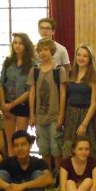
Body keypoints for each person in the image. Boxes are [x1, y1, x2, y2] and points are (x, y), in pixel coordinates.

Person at [29, 38, 67, 181]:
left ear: (52, 51)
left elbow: (63, 93)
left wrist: (61, 115)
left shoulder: (59, 70)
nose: (43, 53)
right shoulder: (35, 71)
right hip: (39, 117)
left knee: (56, 148)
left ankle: (59, 175)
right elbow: (32, 93)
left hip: (54, 116)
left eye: (46, 49)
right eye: (40, 50)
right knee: (43, 148)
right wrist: (32, 115)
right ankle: (48, 174)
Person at [62, 45, 96, 163]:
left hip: (86, 116)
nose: (81, 58)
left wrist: (84, 124)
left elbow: (94, 103)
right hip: (71, 114)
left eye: (85, 56)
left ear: (90, 59)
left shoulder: (93, 76)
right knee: (70, 146)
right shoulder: (71, 73)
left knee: (87, 148)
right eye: (79, 55)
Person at [0, 32, 35, 156]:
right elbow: (1, 84)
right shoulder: (8, 62)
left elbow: (29, 90)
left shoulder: (32, 64)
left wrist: (12, 104)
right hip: (7, 103)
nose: (17, 46)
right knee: (10, 140)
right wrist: (3, 104)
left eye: (21, 43)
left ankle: (22, 164)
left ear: (26, 46)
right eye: (15, 43)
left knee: (21, 139)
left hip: (22, 104)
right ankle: (11, 165)